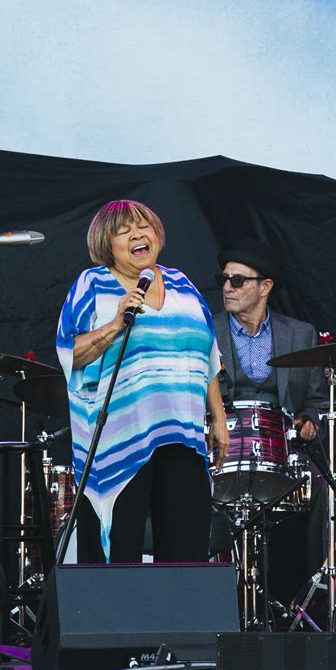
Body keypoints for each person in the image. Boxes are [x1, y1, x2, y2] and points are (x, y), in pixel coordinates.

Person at [56, 199, 229, 563]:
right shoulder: (93, 285)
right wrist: (116, 324)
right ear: (108, 245)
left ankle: (182, 621)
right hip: (119, 438)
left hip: (181, 433)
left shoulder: (182, 283)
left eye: (144, 227)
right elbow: (70, 352)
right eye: (123, 231)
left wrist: (218, 417)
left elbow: (207, 354)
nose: (137, 235)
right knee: (118, 554)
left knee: (187, 553)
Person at [213, 237, 328, 598]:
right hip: (219, 450)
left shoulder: (299, 334)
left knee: (326, 494)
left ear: (265, 287)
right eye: (225, 280)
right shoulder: (206, 331)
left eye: (238, 281)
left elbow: (317, 398)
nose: (227, 288)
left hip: (283, 452)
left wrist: (310, 421)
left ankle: (309, 599)